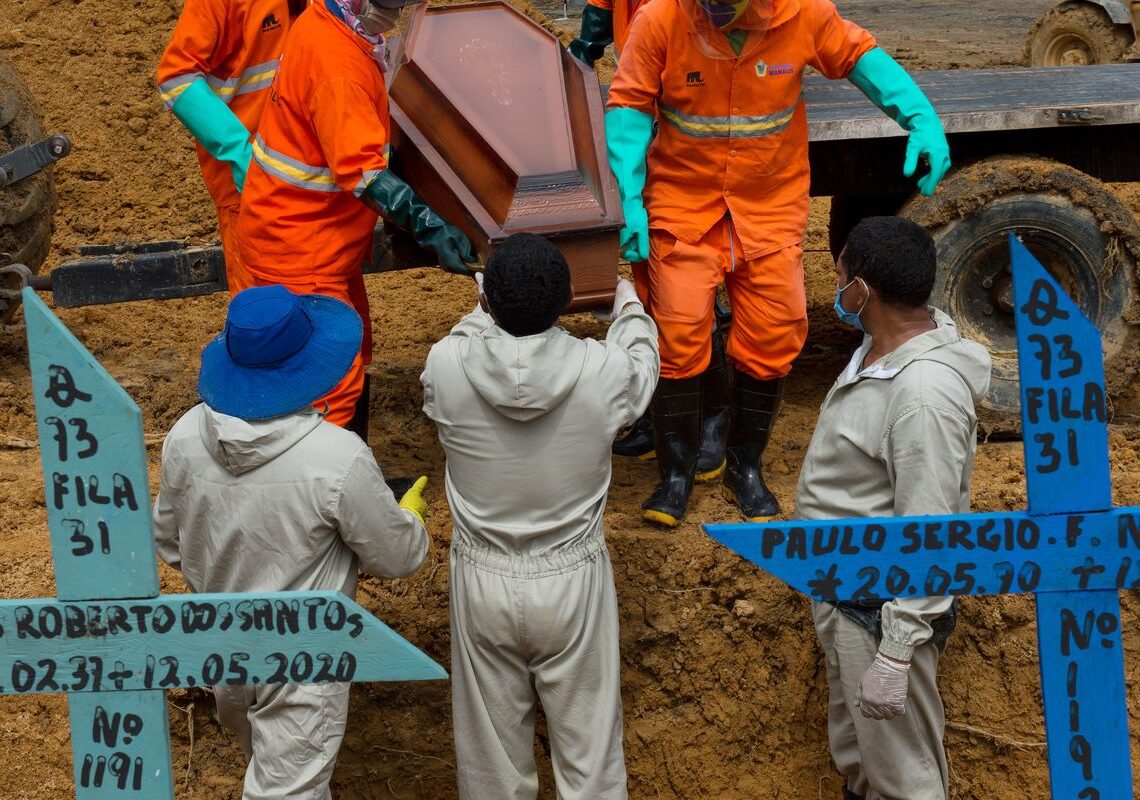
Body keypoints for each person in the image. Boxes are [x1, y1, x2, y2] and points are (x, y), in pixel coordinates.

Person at [606, 0, 952, 527]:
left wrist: (920, 117)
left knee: (776, 332)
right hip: (682, 202)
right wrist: (630, 196)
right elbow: (629, 105)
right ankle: (675, 474)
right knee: (676, 333)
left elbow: (861, 56)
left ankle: (744, 465)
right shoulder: (661, 18)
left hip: (769, 204)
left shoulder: (805, 15)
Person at [152, 284, 431, 799]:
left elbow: (169, 541)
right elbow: (397, 558)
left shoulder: (185, 435)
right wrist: (406, 517)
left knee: (264, 762)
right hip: (303, 655)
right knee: (287, 792)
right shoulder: (336, 456)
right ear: (308, 366)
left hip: (220, 640)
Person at [420, 233, 659, 800]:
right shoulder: (602, 371)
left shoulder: (447, 364)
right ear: (567, 299)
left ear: (488, 303)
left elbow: (464, 337)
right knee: (591, 759)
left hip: (482, 578)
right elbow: (643, 362)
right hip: (572, 578)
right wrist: (625, 303)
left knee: (491, 768)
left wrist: (482, 308)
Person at [797, 217, 991, 800]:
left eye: (838, 277)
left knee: (905, 778)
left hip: (879, 612)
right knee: (862, 762)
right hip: (846, 594)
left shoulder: (923, 395)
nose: (836, 288)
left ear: (864, 291)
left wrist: (896, 652)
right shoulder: (884, 350)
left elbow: (931, 531)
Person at [237, 0, 477, 435]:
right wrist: (431, 227)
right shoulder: (337, 69)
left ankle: (351, 468)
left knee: (354, 342)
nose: (398, 12)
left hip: (316, 232)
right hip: (301, 245)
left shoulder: (327, 21)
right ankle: (333, 492)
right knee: (331, 377)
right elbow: (365, 174)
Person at [157, 0, 304, 292]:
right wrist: (240, 153)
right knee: (266, 311)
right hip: (254, 187)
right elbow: (177, 77)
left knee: (337, 312)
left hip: (313, 180)